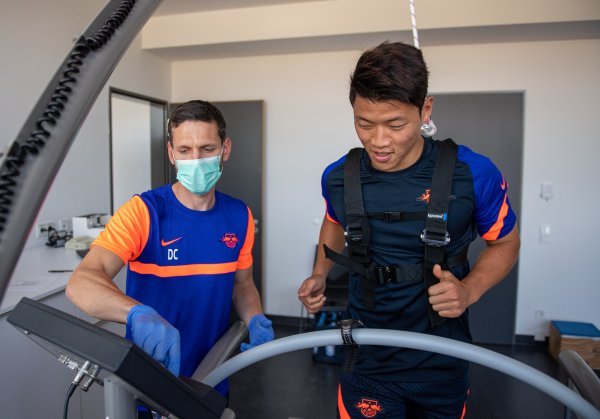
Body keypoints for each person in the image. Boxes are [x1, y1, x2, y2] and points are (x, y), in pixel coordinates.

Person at [298, 41, 520, 418]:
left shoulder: (473, 174)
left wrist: (469, 290)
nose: (378, 141)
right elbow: (335, 221)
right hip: (367, 359)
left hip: (442, 361)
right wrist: (320, 273)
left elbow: (506, 243)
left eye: (395, 124)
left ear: (425, 109)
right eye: (364, 123)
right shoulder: (338, 177)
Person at [66, 100, 274, 397]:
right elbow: (82, 282)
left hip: (211, 376)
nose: (195, 160)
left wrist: (254, 318)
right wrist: (136, 313)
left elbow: (242, 285)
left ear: (225, 149)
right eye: (185, 150)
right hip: (148, 379)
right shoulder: (143, 212)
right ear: (171, 153)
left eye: (207, 149)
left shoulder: (240, 216)